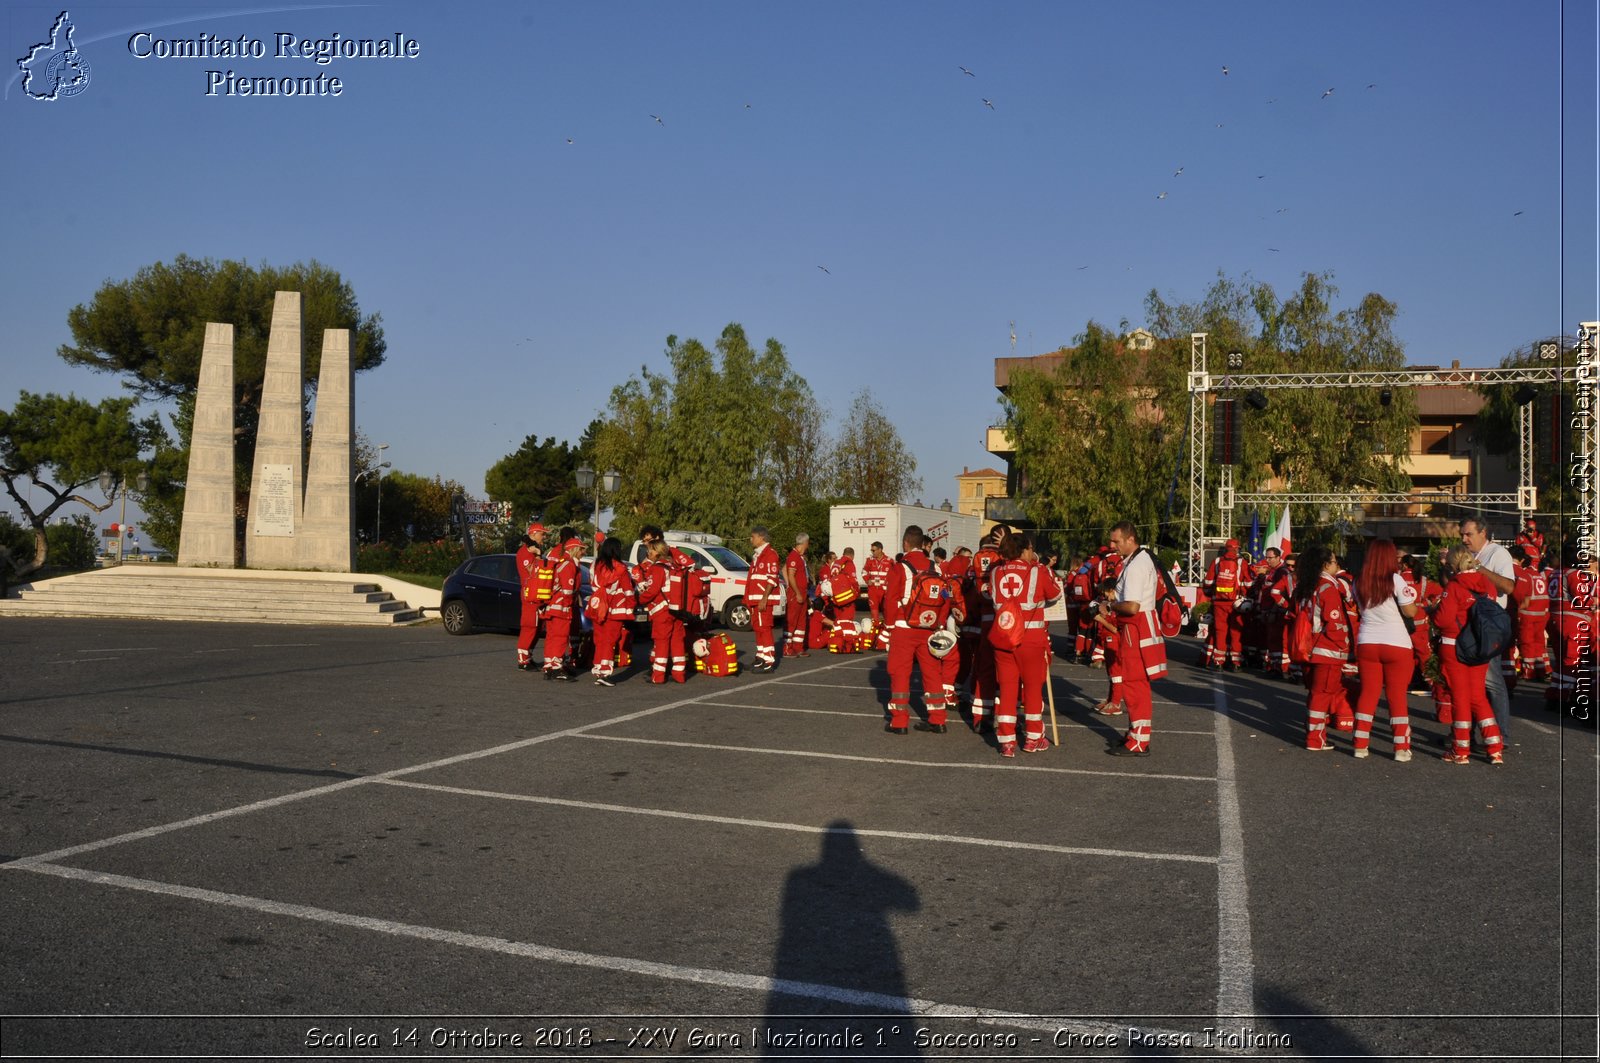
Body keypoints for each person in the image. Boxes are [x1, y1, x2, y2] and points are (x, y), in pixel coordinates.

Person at [1428, 544, 1508, 765]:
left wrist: (1433, 612)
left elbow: (1442, 620)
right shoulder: (1488, 585)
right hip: (1481, 647)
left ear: (1454, 566)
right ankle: (1495, 748)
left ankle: (1460, 749)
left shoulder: (1454, 586)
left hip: (1454, 646)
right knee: (1478, 697)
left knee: (1460, 698)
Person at [986, 531, 1062, 756]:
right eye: (1030, 549)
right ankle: (1033, 738)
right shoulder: (1038, 571)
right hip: (1030, 638)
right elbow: (1055, 594)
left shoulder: (996, 572)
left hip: (1004, 637)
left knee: (1007, 689)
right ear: (1025, 550)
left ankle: (1007, 742)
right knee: (1031, 690)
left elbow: (992, 597)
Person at [1351, 539, 1420, 761]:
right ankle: (1401, 748)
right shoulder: (1396, 579)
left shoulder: (1358, 581)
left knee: (1368, 693)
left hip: (1367, 641)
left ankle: (1360, 745)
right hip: (1396, 643)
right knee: (1396, 695)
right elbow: (1410, 612)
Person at [883, 526, 952, 735]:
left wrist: (888, 627)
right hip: (929, 628)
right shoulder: (936, 568)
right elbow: (946, 598)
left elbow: (890, 600)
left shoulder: (900, 567)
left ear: (905, 543)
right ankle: (938, 719)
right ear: (923, 544)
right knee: (932, 673)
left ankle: (899, 721)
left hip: (904, 627)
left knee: (900, 672)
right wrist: (939, 622)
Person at [1106, 521, 1167, 757]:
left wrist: (1110, 604)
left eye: (1117, 541)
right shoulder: (1136, 560)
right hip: (1137, 626)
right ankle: (1135, 734)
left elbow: (1131, 606)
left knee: (1135, 685)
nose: (1113, 545)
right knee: (1134, 683)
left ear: (1130, 539)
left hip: (1136, 627)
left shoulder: (1136, 565)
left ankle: (1140, 740)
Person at [1460, 517, 1516, 739]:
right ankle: (1468, 735)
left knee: (1492, 682)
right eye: (1462, 534)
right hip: (1470, 622)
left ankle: (1501, 734)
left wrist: (1479, 569)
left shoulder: (1498, 553)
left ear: (1483, 532)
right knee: (1472, 682)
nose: (1464, 539)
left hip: (1490, 623)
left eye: (1468, 534)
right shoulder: (1470, 554)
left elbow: (1509, 587)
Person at [1296, 546, 1354, 751]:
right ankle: (1315, 739)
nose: (1336, 565)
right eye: (1333, 561)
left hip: (1310, 648)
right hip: (1327, 650)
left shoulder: (1309, 585)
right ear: (1325, 565)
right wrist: (1344, 646)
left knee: (1315, 693)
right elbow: (1335, 622)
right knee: (1322, 695)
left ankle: (1314, 733)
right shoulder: (1327, 588)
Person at [632, 540, 683, 684]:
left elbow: (652, 590)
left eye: (651, 550)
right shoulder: (675, 566)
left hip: (663, 611)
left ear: (658, 551)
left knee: (661, 643)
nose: (649, 553)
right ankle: (679, 675)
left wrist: (640, 599)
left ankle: (658, 676)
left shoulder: (658, 568)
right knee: (677, 642)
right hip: (677, 610)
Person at [588, 535, 637, 686]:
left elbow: (593, 585)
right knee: (610, 641)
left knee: (600, 639)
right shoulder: (621, 568)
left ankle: (598, 668)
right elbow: (629, 591)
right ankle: (605, 672)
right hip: (615, 609)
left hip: (598, 607)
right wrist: (632, 606)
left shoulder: (595, 565)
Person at [540, 533, 585, 679]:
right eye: (581, 549)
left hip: (552, 606)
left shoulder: (561, 562)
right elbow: (567, 591)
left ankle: (549, 665)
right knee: (560, 637)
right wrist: (568, 607)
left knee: (552, 637)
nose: (583, 552)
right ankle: (557, 667)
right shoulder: (569, 565)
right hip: (561, 608)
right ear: (575, 550)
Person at [1203, 539, 1246, 670]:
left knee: (1220, 631)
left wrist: (1212, 594)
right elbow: (1249, 583)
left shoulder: (1217, 561)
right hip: (1235, 603)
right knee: (1235, 632)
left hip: (1219, 602)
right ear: (1237, 548)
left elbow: (1208, 582)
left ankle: (1218, 661)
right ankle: (1236, 663)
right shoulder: (1241, 562)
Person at [1510, 552, 1552, 680]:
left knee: (1527, 643)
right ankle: (1543, 669)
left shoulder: (1524, 574)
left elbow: (1521, 596)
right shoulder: (1538, 575)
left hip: (1528, 613)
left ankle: (1529, 671)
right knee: (1539, 643)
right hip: (1542, 614)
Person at [514, 522, 549, 671]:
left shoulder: (533, 551)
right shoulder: (525, 552)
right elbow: (533, 571)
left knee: (536, 628)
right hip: (530, 595)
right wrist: (539, 556)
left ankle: (528, 656)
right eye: (542, 534)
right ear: (533, 534)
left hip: (537, 594)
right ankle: (523, 660)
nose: (544, 537)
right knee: (529, 627)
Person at [745, 526, 781, 672]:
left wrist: (764, 598)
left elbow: (772, 579)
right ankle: (760, 657)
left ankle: (769, 661)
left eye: (753, 537)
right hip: (754, 599)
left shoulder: (770, 554)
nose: (751, 539)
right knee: (758, 628)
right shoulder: (758, 555)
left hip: (762, 599)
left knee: (764, 629)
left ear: (762, 538)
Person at [783, 532, 811, 659]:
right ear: (805, 543)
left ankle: (798, 647)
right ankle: (787, 648)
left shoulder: (799, 557)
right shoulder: (794, 556)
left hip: (802, 592)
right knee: (792, 621)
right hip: (796, 594)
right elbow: (790, 575)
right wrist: (796, 591)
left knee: (801, 622)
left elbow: (784, 569)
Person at [863, 540, 893, 647]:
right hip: (873, 591)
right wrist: (867, 580)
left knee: (887, 614)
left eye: (874, 550)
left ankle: (887, 636)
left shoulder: (890, 561)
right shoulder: (869, 560)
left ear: (880, 549)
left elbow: (896, 574)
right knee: (874, 616)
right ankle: (874, 638)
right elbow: (864, 572)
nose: (872, 552)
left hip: (885, 591)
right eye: (871, 550)